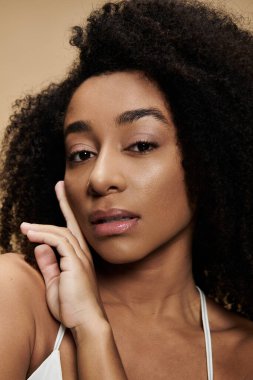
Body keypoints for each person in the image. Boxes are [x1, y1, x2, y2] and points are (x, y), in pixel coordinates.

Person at [0, 0, 253, 378]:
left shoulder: (244, 355)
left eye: (141, 145)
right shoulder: (17, 295)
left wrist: (92, 331)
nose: (99, 178)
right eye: (81, 153)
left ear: (210, 158)